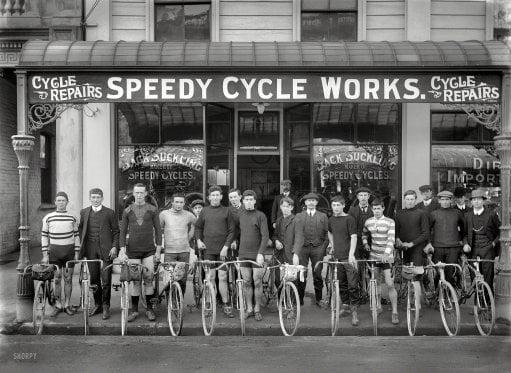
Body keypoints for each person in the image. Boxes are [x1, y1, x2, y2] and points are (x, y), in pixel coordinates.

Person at [119, 183, 162, 322]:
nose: (138, 195)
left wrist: (158, 250)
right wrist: (122, 251)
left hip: (149, 250)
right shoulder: (127, 211)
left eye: (141, 193)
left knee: (149, 279)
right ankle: (134, 310)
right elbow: (123, 232)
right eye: (136, 193)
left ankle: (149, 309)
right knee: (136, 281)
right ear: (133, 194)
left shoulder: (153, 209)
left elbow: (158, 230)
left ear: (145, 194)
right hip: (132, 251)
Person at [78, 188, 120, 320]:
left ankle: (106, 306)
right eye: (93, 197)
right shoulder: (84, 212)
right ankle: (98, 304)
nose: (95, 200)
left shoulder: (109, 213)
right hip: (90, 249)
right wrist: (83, 243)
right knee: (94, 279)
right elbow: (81, 228)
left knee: (106, 279)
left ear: (102, 198)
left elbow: (116, 231)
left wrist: (114, 247)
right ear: (90, 198)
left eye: (98, 197)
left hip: (106, 250)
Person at [195, 185, 235, 318]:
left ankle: (225, 303)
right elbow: (198, 227)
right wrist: (199, 240)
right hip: (208, 250)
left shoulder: (227, 211)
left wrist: (226, 247)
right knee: (210, 277)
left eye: (218, 195)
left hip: (223, 251)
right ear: (209, 197)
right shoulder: (204, 211)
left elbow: (231, 231)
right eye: (213, 195)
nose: (215, 197)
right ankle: (209, 303)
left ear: (221, 197)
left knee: (223, 277)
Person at [41, 191, 80, 316]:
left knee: (68, 279)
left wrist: (77, 253)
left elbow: (76, 236)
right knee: (57, 279)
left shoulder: (73, 217)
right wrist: (45, 255)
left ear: (67, 202)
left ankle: (67, 304)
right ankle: (58, 305)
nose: (61, 202)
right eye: (58, 200)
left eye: (63, 200)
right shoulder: (48, 217)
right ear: (55, 202)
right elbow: (44, 236)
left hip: (69, 253)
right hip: (54, 253)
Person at [362, 199, 399, 325]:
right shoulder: (368, 222)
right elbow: (364, 234)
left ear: (383, 208)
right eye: (374, 209)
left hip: (387, 257)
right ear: (372, 209)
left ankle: (394, 312)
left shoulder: (390, 222)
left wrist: (386, 253)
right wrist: (366, 244)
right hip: (373, 256)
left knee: (389, 284)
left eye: (379, 208)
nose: (377, 211)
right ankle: (378, 306)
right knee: (376, 283)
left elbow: (391, 239)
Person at [395, 190, 429, 318]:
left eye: (412, 199)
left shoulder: (422, 213)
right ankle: (410, 299)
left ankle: (417, 304)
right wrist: (397, 239)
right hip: (404, 249)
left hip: (417, 249)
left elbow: (425, 233)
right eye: (407, 199)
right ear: (404, 200)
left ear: (415, 200)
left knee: (416, 276)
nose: (409, 201)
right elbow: (396, 230)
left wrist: (412, 243)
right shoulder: (399, 213)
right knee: (407, 275)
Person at [237, 190, 269, 321]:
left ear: (255, 201)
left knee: (257, 282)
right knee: (246, 282)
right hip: (243, 253)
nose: (249, 202)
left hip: (257, 254)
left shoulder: (260, 215)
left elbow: (265, 236)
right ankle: (249, 308)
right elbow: (234, 231)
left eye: (251, 199)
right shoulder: (239, 214)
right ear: (243, 201)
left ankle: (257, 309)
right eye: (246, 199)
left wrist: (261, 253)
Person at [292, 192, 329, 307]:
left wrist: (323, 248)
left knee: (317, 274)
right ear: (305, 202)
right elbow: (294, 234)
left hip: (318, 248)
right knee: (301, 274)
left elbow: (327, 234)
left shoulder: (323, 216)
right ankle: (300, 299)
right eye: (309, 201)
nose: (311, 202)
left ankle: (319, 299)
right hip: (303, 248)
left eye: (313, 200)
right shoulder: (299, 216)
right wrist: (295, 250)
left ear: (317, 202)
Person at [328, 196, 359, 326]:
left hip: (348, 257)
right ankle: (345, 306)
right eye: (333, 205)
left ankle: (354, 312)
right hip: (338, 257)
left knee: (352, 285)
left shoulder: (349, 219)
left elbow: (354, 236)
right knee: (342, 285)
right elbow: (329, 232)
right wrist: (332, 245)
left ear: (343, 205)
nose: (335, 207)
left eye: (338, 205)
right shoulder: (331, 219)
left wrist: (351, 254)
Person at [463, 189, 501, 291]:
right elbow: (465, 234)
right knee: (473, 276)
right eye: (474, 199)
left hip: (488, 248)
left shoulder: (491, 214)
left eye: (479, 199)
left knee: (488, 276)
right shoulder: (467, 216)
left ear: (483, 201)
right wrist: (465, 244)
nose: (476, 201)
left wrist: (493, 244)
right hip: (473, 249)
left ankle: (488, 301)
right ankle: (477, 298)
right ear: (471, 202)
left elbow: (500, 232)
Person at [159, 192, 196, 296]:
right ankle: (170, 302)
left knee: (182, 278)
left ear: (184, 203)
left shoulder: (189, 215)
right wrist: (158, 246)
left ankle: (179, 301)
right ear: (172, 202)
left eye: (181, 202)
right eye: (176, 202)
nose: (179, 204)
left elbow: (196, 224)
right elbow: (157, 230)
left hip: (184, 251)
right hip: (169, 252)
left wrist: (189, 237)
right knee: (168, 278)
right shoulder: (164, 214)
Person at [429, 190, 465, 287]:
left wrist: (462, 241)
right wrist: (429, 243)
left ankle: (449, 295)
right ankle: (438, 295)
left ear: (451, 201)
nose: (445, 202)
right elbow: (428, 230)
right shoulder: (433, 214)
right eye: (443, 199)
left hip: (453, 247)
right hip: (437, 247)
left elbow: (464, 229)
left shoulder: (457, 213)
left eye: (447, 199)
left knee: (449, 273)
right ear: (439, 201)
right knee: (438, 272)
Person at [348, 187, 373, 260]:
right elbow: (349, 227)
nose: (363, 197)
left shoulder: (374, 210)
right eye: (361, 195)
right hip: (356, 241)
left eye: (365, 195)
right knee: (357, 263)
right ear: (357, 197)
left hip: (371, 241)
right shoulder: (352, 211)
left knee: (371, 263)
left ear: (368, 196)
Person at [228, 188, 243, 259]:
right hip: (232, 241)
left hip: (245, 240)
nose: (233, 199)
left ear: (240, 197)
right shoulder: (227, 211)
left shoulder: (246, 209)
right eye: (231, 197)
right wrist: (233, 240)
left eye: (235, 197)